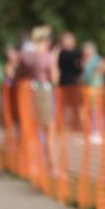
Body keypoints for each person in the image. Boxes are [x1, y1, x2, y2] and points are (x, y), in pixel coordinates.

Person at [17, 25, 60, 173]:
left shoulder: (26, 55)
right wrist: (55, 59)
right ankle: (52, 167)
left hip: (28, 92)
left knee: (31, 130)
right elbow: (54, 78)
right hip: (44, 91)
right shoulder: (48, 56)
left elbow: (19, 73)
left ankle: (33, 165)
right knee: (49, 131)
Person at [79, 41, 105, 144]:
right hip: (88, 89)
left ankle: (97, 132)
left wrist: (101, 71)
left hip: (96, 90)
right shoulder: (86, 61)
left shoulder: (97, 60)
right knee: (89, 112)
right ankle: (90, 132)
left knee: (96, 111)